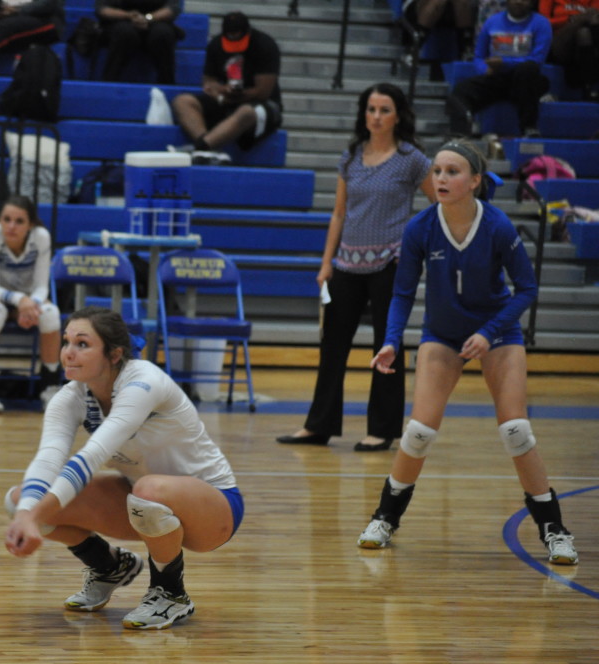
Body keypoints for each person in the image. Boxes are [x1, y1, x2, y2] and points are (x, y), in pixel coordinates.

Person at [356, 139, 578, 566]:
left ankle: (554, 529)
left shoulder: (498, 227)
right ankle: (385, 518)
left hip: (497, 335)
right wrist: (390, 338)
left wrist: (490, 332)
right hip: (441, 336)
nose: (440, 178)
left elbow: (527, 289)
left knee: (517, 431)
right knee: (418, 432)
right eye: (437, 171)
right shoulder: (421, 227)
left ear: (475, 180)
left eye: (452, 171)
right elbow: (403, 292)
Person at [4, 307, 243, 630]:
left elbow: (91, 457)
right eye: (66, 342)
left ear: (114, 354)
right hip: (143, 502)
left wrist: (32, 517)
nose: (68, 353)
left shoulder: (144, 381)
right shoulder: (70, 397)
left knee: (148, 490)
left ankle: (171, 593)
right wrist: (25, 514)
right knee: (21, 499)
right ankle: (108, 566)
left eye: (83, 344)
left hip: (215, 507)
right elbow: (48, 459)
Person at [277, 83, 435, 452]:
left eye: (384, 110)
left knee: (387, 347)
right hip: (346, 263)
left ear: (398, 116)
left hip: (390, 265)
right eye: (371, 109)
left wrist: (411, 247)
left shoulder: (412, 159)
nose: (376, 117)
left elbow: (437, 202)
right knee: (332, 346)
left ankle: (382, 429)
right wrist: (325, 263)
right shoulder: (351, 157)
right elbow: (338, 213)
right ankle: (319, 425)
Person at [0, 195, 61, 413]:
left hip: (28, 299)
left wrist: (31, 304)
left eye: (19, 221)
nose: (11, 226)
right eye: (6, 219)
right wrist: (21, 301)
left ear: (31, 224)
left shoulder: (41, 237)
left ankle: (50, 389)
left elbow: (41, 287)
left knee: (50, 314)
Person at [169, 11, 282, 165]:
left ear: (247, 32)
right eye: (230, 38)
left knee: (246, 112)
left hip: (263, 104)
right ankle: (208, 150)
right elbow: (209, 82)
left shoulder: (264, 45)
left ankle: (200, 147)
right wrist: (222, 91)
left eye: (238, 38)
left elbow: (263, 92)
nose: (234, 42)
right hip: (228, 99)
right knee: (182, 101)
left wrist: (236, 95)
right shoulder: (216, 44)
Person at [445, 0, 552, 138]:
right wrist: (485, 70)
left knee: (528, 69)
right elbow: (478, 56)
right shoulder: (492, 22)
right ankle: (459, 134)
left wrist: (504, 63)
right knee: (461, 90)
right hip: (497, 77)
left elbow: (537, 59)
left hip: (526, 79)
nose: (519, 2)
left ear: (532, 3)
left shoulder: (541, 23)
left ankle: (529, 127)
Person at [95, 0, 182, 85]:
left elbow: (171, 8)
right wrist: (128, 16)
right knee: (124, 33)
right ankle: (109, 81)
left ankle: (166, 84)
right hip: (120, 22)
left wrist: (147, 18)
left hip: (156, 21)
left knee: (163, 33)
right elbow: (102, 9)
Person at [539, 0, 599, 95]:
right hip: (557, 42)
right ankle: (588, 86)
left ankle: (588, 87)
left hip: (583, 41)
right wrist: (570, 19)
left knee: (584, 32)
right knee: (587, 19)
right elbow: (542, 22)